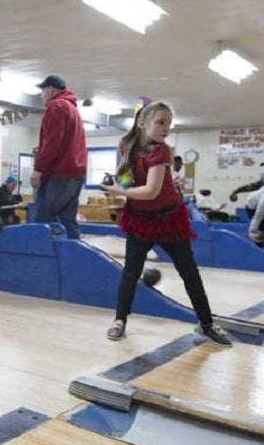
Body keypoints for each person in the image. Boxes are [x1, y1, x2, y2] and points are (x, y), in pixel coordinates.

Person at [99, 101, 232, 347]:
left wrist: (119, 191)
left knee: (189, 273)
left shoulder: (161, 151)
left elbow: (151, 191)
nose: (166, 129)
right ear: (142, 122)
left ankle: (207, 324)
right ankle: (119, 321)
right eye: (161, 122)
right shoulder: (125, 144)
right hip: (140, 219)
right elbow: (129, 178)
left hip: (169, 219)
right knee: (130, 272)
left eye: (168, 124)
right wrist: (117, 184)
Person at [30, 75, 86, 238]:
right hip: (75, 175)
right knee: (69, 221)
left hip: (58, 175)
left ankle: (40, 261)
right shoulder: (74, 110)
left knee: (42, 221)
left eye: (42, 91)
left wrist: (38, 170)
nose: (41, 96)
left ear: (51, 89)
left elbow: (53, 143)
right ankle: (74, 259)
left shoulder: (57, 106)